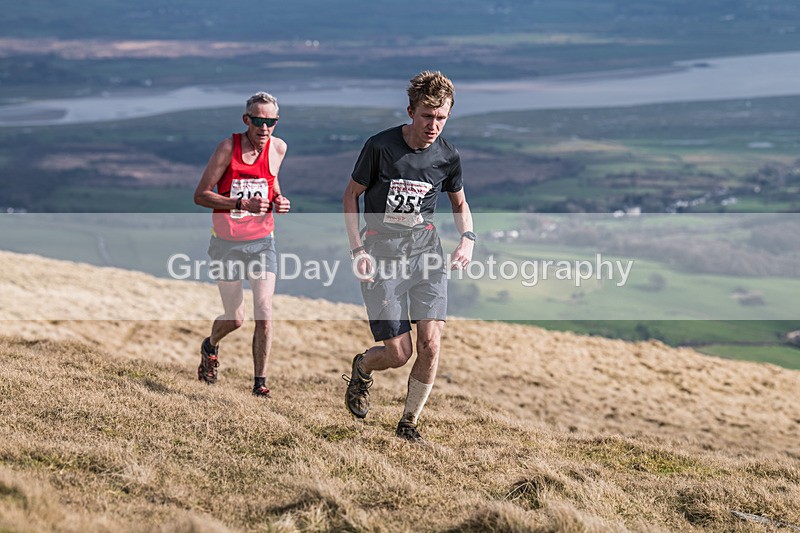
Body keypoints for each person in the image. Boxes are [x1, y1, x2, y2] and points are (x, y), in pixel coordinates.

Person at [342, 71, 475, 441]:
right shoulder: (381, 147)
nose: (434, 125)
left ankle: (408, 424)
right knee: (399, 353)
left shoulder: (448, 155)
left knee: (431, 343)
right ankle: (363, 367)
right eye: (427, 116)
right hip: (382, 254)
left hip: (426, 255)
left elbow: (460, 203)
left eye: (442, 117)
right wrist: (357, 249)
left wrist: (467, 238)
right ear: (411, 111)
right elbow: (350, 196)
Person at [193, 91, 291, 397]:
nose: (264, 128)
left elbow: (271, 179)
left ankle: (259, 384)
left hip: (263, 241)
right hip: (227, 244)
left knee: (264, 311)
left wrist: (278, 199)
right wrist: (239, 203)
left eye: (271, 122)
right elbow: (201, 195)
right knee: (235, 318)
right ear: (246, 120)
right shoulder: (227, 148)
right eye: (259, 121)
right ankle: (210, 346)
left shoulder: (278, 147)